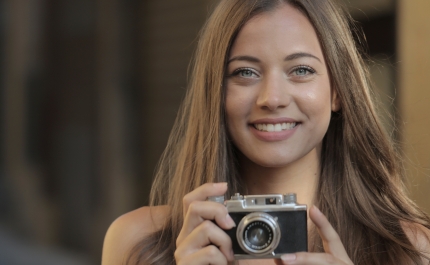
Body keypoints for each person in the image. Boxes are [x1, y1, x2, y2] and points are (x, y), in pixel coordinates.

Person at [101, 0, 430, 264]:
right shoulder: (138, 244)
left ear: (337, 91)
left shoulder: (410, 249)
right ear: (216, 92)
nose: (272, 99)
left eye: (300, 70)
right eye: (245, 72)